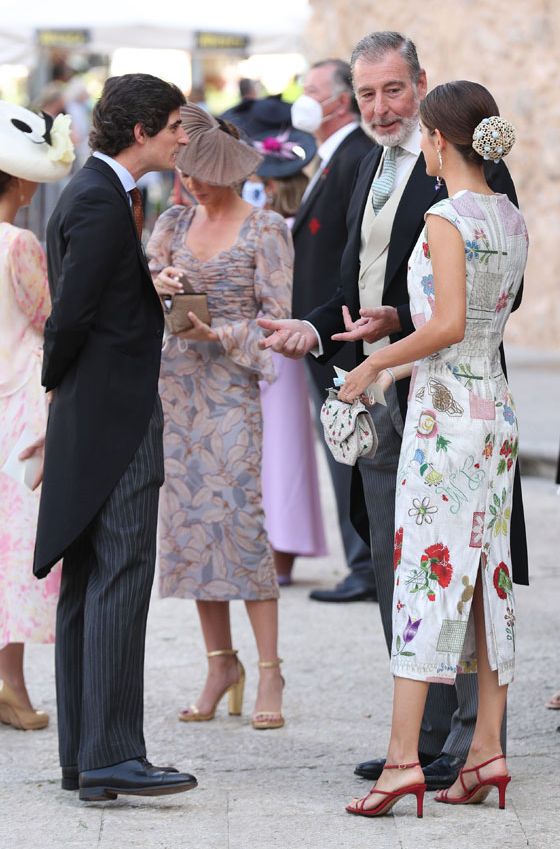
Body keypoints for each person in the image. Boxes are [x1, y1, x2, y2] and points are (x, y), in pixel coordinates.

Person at [258, 31, 529, 792]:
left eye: (392, 91)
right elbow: (356, 270)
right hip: (412, 399)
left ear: (422, 87)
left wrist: (389, 348)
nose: (378, 107)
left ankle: (456, 743)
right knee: (401, 565)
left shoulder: (473, 178)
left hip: (440, 402)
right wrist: (334, 327)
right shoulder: (365, 160)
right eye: (366, 93)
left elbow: (474, 307)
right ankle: (434, 740)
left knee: (454, 571)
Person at [339, 79, 528, 817]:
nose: (419, 145)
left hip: (445, 420)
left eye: (422, 133)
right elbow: (476, 320)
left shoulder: (445, 215)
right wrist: (401, 327)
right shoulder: (508, 216)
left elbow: (446, 324)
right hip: (495, 412)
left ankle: (400, 762)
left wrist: (374, 361)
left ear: (439, 140)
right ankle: (485, 749)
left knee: (427, 577)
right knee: (488, 576)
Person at [33, 74, 197, 802]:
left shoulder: (93, 193)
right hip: (114, 416)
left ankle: (86, 757)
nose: (182, 137)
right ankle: (111, 754)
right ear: (141, 132)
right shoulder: (100, 200)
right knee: (119, 577)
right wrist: (60, 385)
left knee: (91, 584)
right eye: (174, 125)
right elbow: (67, 319)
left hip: (93, 412)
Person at [147, 103, 292, 730]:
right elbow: (139, 297)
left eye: (202, 174)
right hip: (175, 391)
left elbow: (278, 327)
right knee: (194, 530)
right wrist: (158, 282)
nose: (191, 185)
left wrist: (218, 333)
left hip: (230, 391)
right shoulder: (171, 222)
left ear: (231, 171)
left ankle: (268, 671)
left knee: (240, 525)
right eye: (184, 172)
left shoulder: (267, 229)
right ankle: (218, 663)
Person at [0, 101, 73, 731]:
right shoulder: (17, 242)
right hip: (17, 397)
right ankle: (10, 684)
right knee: (15, 542)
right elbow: (46, 318)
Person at [290, 59, 375, 603]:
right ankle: (360, 560)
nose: (303, 99)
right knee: (337, 446)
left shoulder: (353, 155)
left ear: (339, 101)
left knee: (347, 446)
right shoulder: (331, 157)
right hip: (319, 328)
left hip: (335, 331)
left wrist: (322, 324)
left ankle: (364, 563)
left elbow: (351, 253)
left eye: (312, 90)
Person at [252, 126, 327, 585]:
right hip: (293, 346)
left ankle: (275, 549)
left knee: (276, 448)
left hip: (274, 342)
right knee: (289, 448)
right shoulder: (302, 227)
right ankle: (285, 547)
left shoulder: (272, 229)